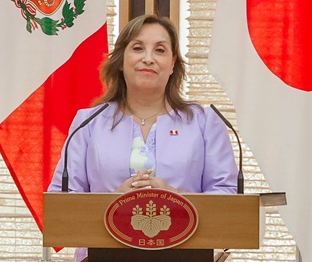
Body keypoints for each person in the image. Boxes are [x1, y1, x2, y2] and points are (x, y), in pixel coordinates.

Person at [48, 14, 239, 195]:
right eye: (138, 48)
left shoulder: (204, 123)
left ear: (173, 63)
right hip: (102, 230)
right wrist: (112, 202)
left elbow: (227, 195)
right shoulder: (89, 123)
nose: (148, 59)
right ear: (121, 60)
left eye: (160, 50)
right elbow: (62, 199)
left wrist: (177, 198)